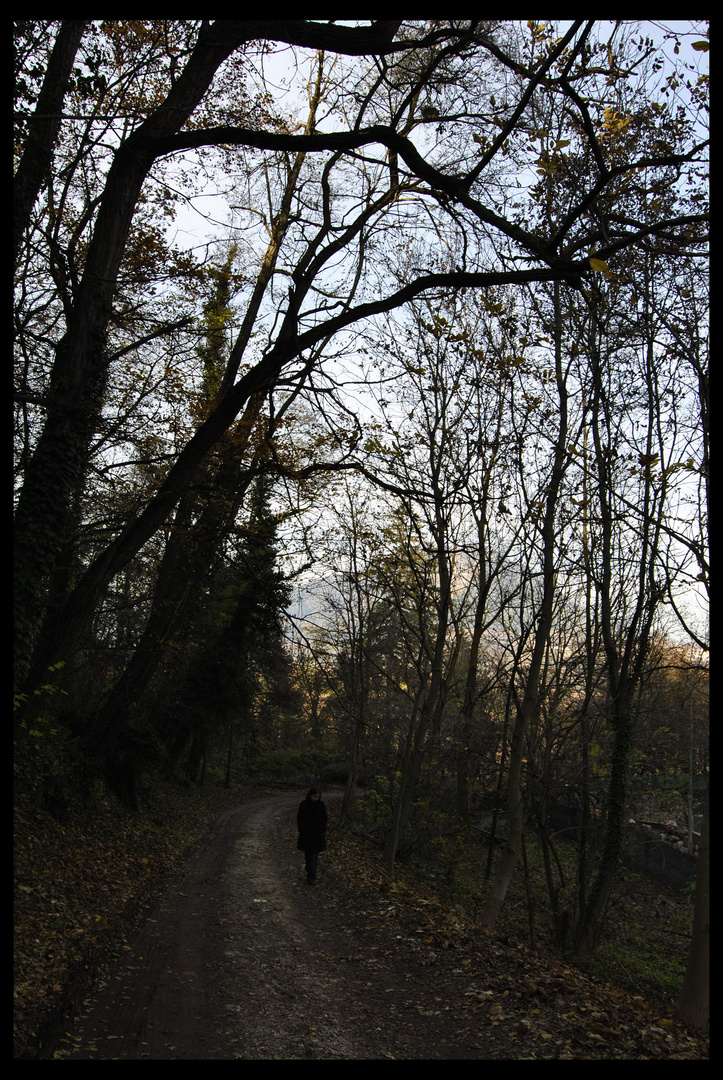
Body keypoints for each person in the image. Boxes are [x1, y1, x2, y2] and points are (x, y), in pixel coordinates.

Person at [297, 787, 327, 885]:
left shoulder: (321, 805)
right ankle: (310, 870)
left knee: (314, 855)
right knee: (308, 855)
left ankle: (311, 876)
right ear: (310, 796)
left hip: (317, 835)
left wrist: (322, 829)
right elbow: (299, 818)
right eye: (314, 796)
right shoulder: (304, 805)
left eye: (317, 797)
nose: (316, 798)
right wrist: (301, 829)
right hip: (306, 835)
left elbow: (325, 818)